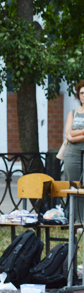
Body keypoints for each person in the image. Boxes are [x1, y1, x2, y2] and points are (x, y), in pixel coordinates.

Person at [62, 80, 84, 222]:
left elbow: (71, 134)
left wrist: (74, 135)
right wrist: (80, 134)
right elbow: (67, 132)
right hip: (71, 154)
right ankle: (75, 221)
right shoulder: (73, 113)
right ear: (78, 95)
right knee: (74, 187)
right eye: (82, 93)